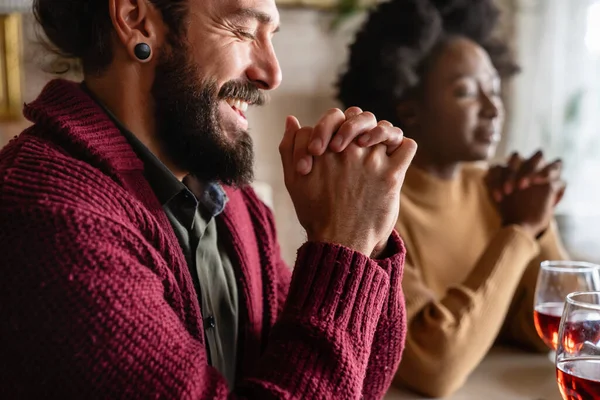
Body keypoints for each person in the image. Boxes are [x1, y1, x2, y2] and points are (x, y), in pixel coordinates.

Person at [0, 0, 418, 398]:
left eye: (270, 35)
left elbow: (353, 383)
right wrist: (342, 246)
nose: (272, 74)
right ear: (135, 20)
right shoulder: (51, 219)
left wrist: (367, 240)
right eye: (241, 30)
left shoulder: (233, 203)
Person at [337, 0, 569, 397]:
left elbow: (559, 331)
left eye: (494, 90)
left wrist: (539, 223)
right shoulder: (376, 208)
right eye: (466, 93)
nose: (494, 109)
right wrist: (518, 231)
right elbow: (434, 367)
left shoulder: (495, 193)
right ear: (410, 111)